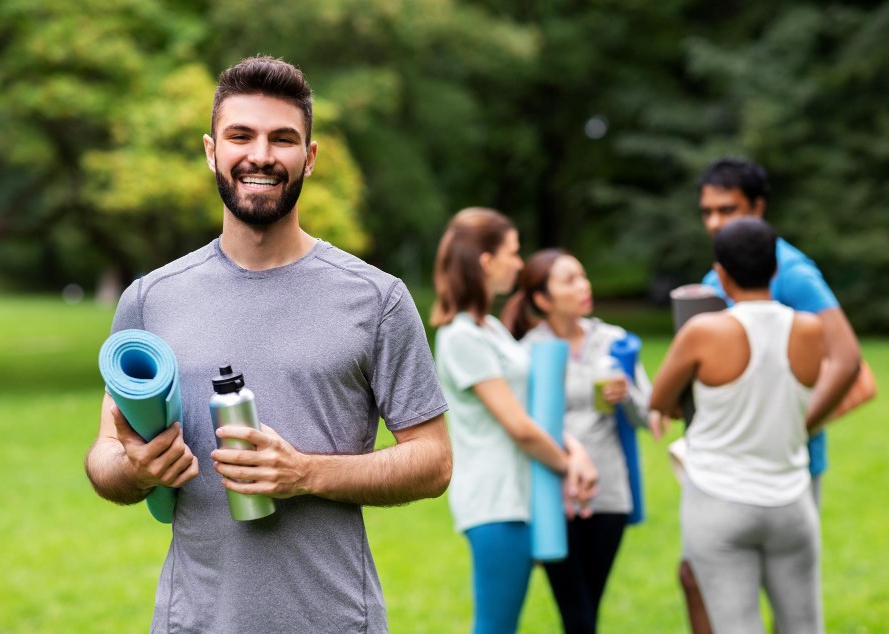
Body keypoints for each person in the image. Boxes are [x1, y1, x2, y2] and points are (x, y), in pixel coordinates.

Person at [84, 56, 452, 634]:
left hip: (333, 620)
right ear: (211, 151)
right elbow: (104, 455)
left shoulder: (377, 299)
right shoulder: (150, 299)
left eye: (283, 139)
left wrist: (304, 473)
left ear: (308, 157)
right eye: (240, 136)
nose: (261, 155)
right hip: (194, 621)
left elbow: (433, 461)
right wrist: (136, 469)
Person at [664, 156, 862, 634]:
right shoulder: (721, 273)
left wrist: (797, 425)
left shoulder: (789, 271)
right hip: (721, 469)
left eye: (727, 210)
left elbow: (848, 357)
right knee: (702, 582)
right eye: (707, 212)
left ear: (758, 206)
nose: (714, 222)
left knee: (786, 608)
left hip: (787, 466)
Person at [650, 217, 827, 634]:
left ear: (722, 275)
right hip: (791, 500)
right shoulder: (810, 329)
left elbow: (659, 399)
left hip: (718, 501)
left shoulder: (704, 332)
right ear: (776, 268)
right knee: (804, 626)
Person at [430, 208, 599, 634]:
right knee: (495, 627)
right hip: (495, 503)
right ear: (487, 262)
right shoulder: (461, 337)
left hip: (519, 498)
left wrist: (572, 447)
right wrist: (570, 464)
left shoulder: (489, 329)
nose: (520, 264)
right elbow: (518, 427)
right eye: (514, 252)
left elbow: (530, 410)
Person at [501, 248, 651, 634]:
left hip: (609, 492)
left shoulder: (615, 342)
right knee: (577, 615)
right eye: (569, 280)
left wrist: (628, 394)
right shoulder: (526, 354)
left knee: (588, 611)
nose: (584, 286)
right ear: (541, 299)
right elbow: (523, 424)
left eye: (583, 276)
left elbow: (647, 417)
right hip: (554, 494)